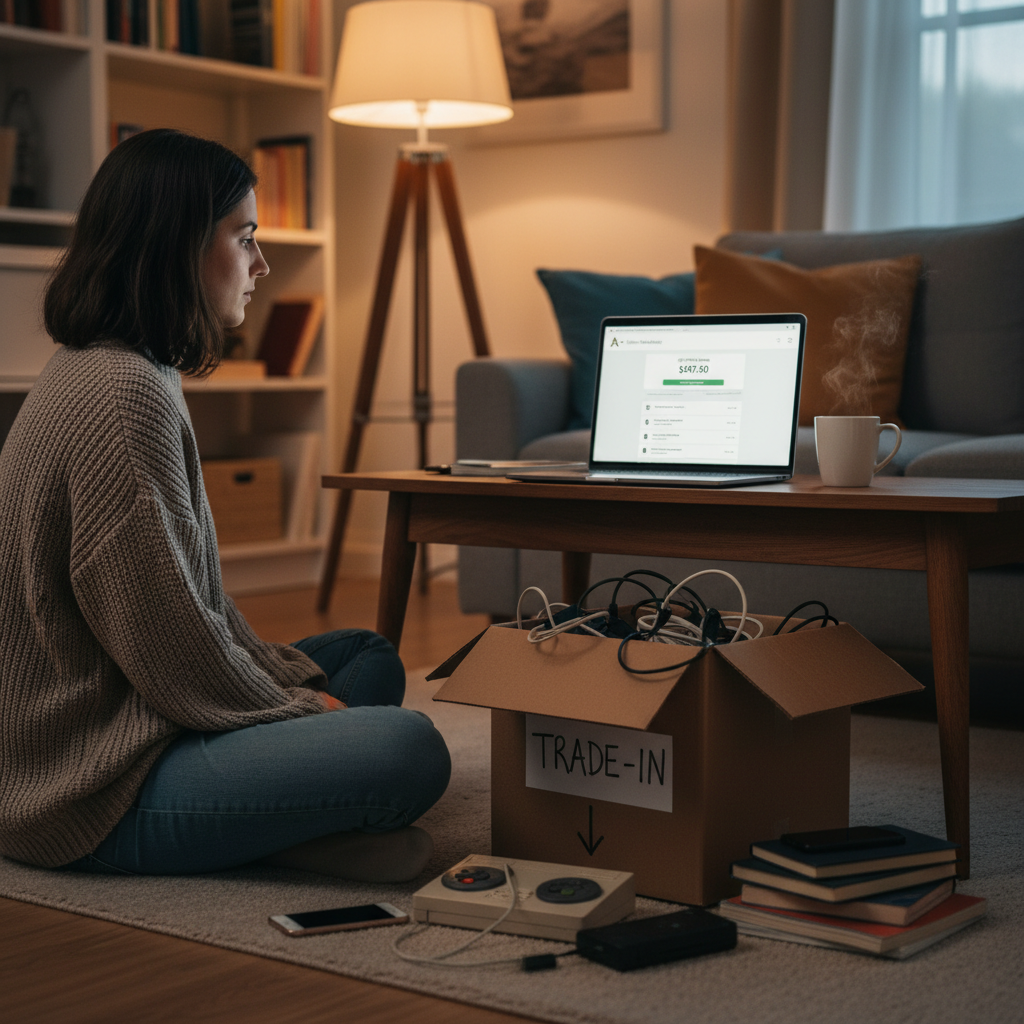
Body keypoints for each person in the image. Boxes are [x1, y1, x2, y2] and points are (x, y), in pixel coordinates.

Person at [0, 129, 451, 881]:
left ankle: (290, 831)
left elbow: (188, 607)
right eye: (244, 238)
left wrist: (292, 694)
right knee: (408, 748)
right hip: (86, 784)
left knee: (363, 658)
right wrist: (305, 713)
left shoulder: (115, 366)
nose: (261, 264)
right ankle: (292, 829)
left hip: (134, 709)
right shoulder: (123, 396)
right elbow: (172, 646)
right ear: (178, 244)